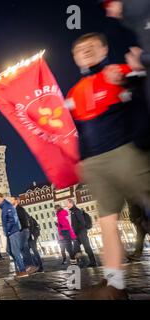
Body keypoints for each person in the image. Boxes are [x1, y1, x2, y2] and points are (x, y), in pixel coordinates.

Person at [67, 32, 150, 299]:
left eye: (92, 47)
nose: (86, 51)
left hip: (125, 151)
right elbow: (69, 128)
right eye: (81, 49)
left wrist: (137, 73)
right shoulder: (74, 92)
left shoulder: (117, 72)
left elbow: (141, 93)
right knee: (107, 224)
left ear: (104, 51)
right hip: (95, 162)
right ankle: (115, 286)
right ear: (75, 57)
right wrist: (81, 160)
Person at [0, 193, 28, 278]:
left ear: (1, 198)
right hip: (10, 232)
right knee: (9, 250)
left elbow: (12, 219)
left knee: (15, 251)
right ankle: (20, 268)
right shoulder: (4, 207)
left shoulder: (7, 206)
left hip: (13, 231)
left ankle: (23, 270)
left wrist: (8, 230)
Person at [67, 199, 97, 268]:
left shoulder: (76, 211)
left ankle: (93, 262)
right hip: (77, 233)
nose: (66, 205)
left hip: (81, 232)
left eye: (67, 203)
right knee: (76, 249)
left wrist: (75, 230)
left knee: (87, 247)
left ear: (71, 203)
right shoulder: (72, 212)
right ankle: (81, 262)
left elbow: (82, 222)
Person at [12, 197, 38, 274]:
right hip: (23, 231)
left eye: (12, 200)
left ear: (16, 201)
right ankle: (34, 265)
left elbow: (21, 221)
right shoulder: (17, 209)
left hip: (23, 230)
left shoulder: (19, 209)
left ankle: (31, 266)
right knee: (24, 249)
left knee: (24, 249)